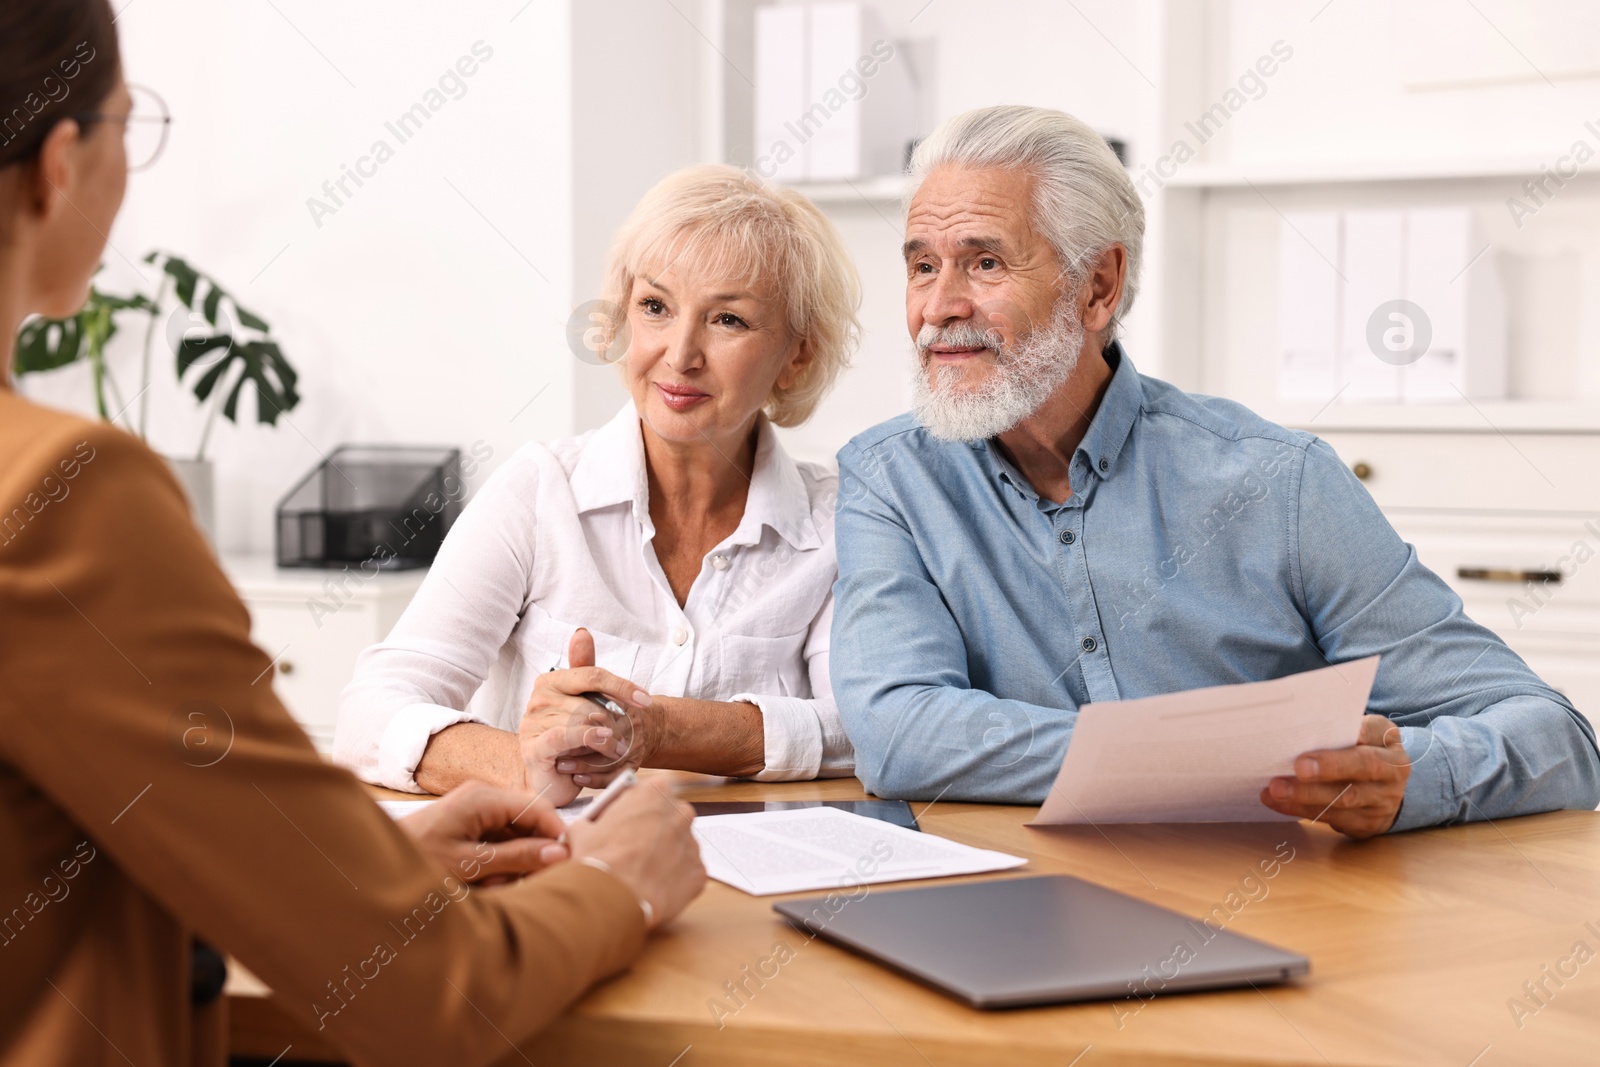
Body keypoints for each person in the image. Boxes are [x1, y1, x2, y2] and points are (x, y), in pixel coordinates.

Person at [0, 5, 704, 1065]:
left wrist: (359, 861)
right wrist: (618, 884)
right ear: (59, 164)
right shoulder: (64, 496)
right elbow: (426, 998)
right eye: (125, 125)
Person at [830, 104, 1600, 838]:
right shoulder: (889, 479)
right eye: (922, 266)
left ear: (1097, 286)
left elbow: (1555, 736)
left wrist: (1408, 777)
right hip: (1018, 910)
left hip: (1287, 911)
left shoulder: (1280, 480)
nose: (937, 306)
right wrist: (1215, 759)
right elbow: (898, 731)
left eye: (984, 262)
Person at [334, 165, 860, 802]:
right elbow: (373, 711)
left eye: (728, 320)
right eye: (655, 307)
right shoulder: (538, 491)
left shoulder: (837, 523)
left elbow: (865, 727)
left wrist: (655, 728)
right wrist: (524, 763)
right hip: (552, 873)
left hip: (751, 877)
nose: (680, 353)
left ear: (797, 353)